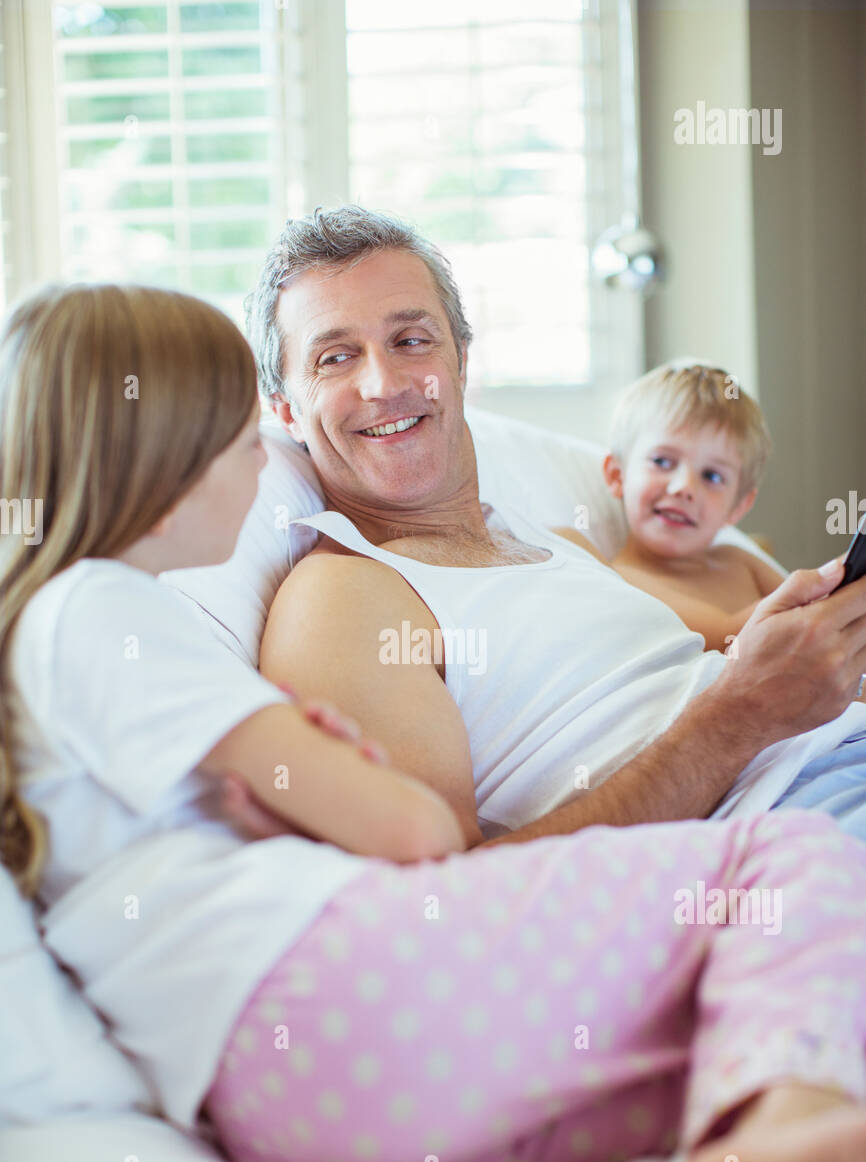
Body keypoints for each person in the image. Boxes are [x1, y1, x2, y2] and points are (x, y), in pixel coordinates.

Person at [3, 281, 866, 1162]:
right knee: (789, 862)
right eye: (244, 443)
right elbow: (415, 835)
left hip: (312, 1085)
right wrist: (323, 772)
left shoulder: (68, 646)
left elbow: (256, 812)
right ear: (166, 458)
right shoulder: (107, 607)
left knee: (717, 1054)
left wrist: (280, 780)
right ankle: (793, 1149)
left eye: (412, 338)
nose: (260, 473)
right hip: (315, 998)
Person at [250, 204, 866, 847]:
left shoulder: (557, 542)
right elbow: (443, 895)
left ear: (461, 362)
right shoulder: (340, 598)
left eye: (411, 341)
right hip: (790, 824)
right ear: (285, 409)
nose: (383, 382)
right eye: (336, 358)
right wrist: (740, 716)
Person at [552, 360, 784, 653]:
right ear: (617, 475)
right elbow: (731, 637)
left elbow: (820, 616)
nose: (684, 487)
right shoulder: (623, 580)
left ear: (738, 507)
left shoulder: (741, 561)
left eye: (712, 476)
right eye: (662, 461)